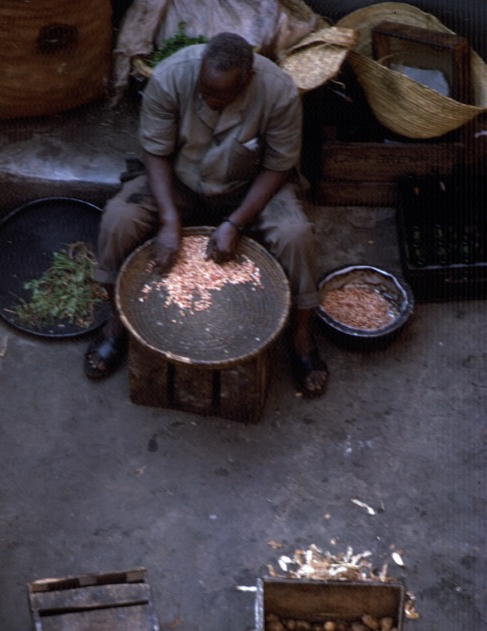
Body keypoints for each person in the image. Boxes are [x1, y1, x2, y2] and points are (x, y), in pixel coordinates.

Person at [85, 31, 329, 397]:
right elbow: (155, 151)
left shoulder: (278, 92)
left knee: (296, 234)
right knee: (119, 218)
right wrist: (169, 219)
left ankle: (300, 333)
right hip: (181, 184)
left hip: (249, 190)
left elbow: (278, 166)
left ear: (247, 80)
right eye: (205, 90)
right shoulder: (171, 77)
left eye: (220, 95)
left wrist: (236, 222)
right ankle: (116, 323)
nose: (209, 99)